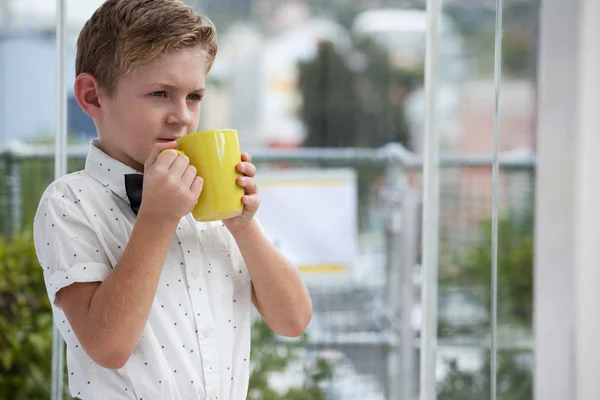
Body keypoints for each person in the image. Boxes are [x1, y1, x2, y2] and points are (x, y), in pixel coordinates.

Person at [32, 1, 312, 399]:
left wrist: (243, 225)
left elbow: (294, 320)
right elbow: (108, 347)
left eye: (194, 96)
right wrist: (158, 219)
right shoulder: (69, 202)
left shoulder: (214, 202)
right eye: (160, 94)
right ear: (93, 96)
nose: (181, 116)